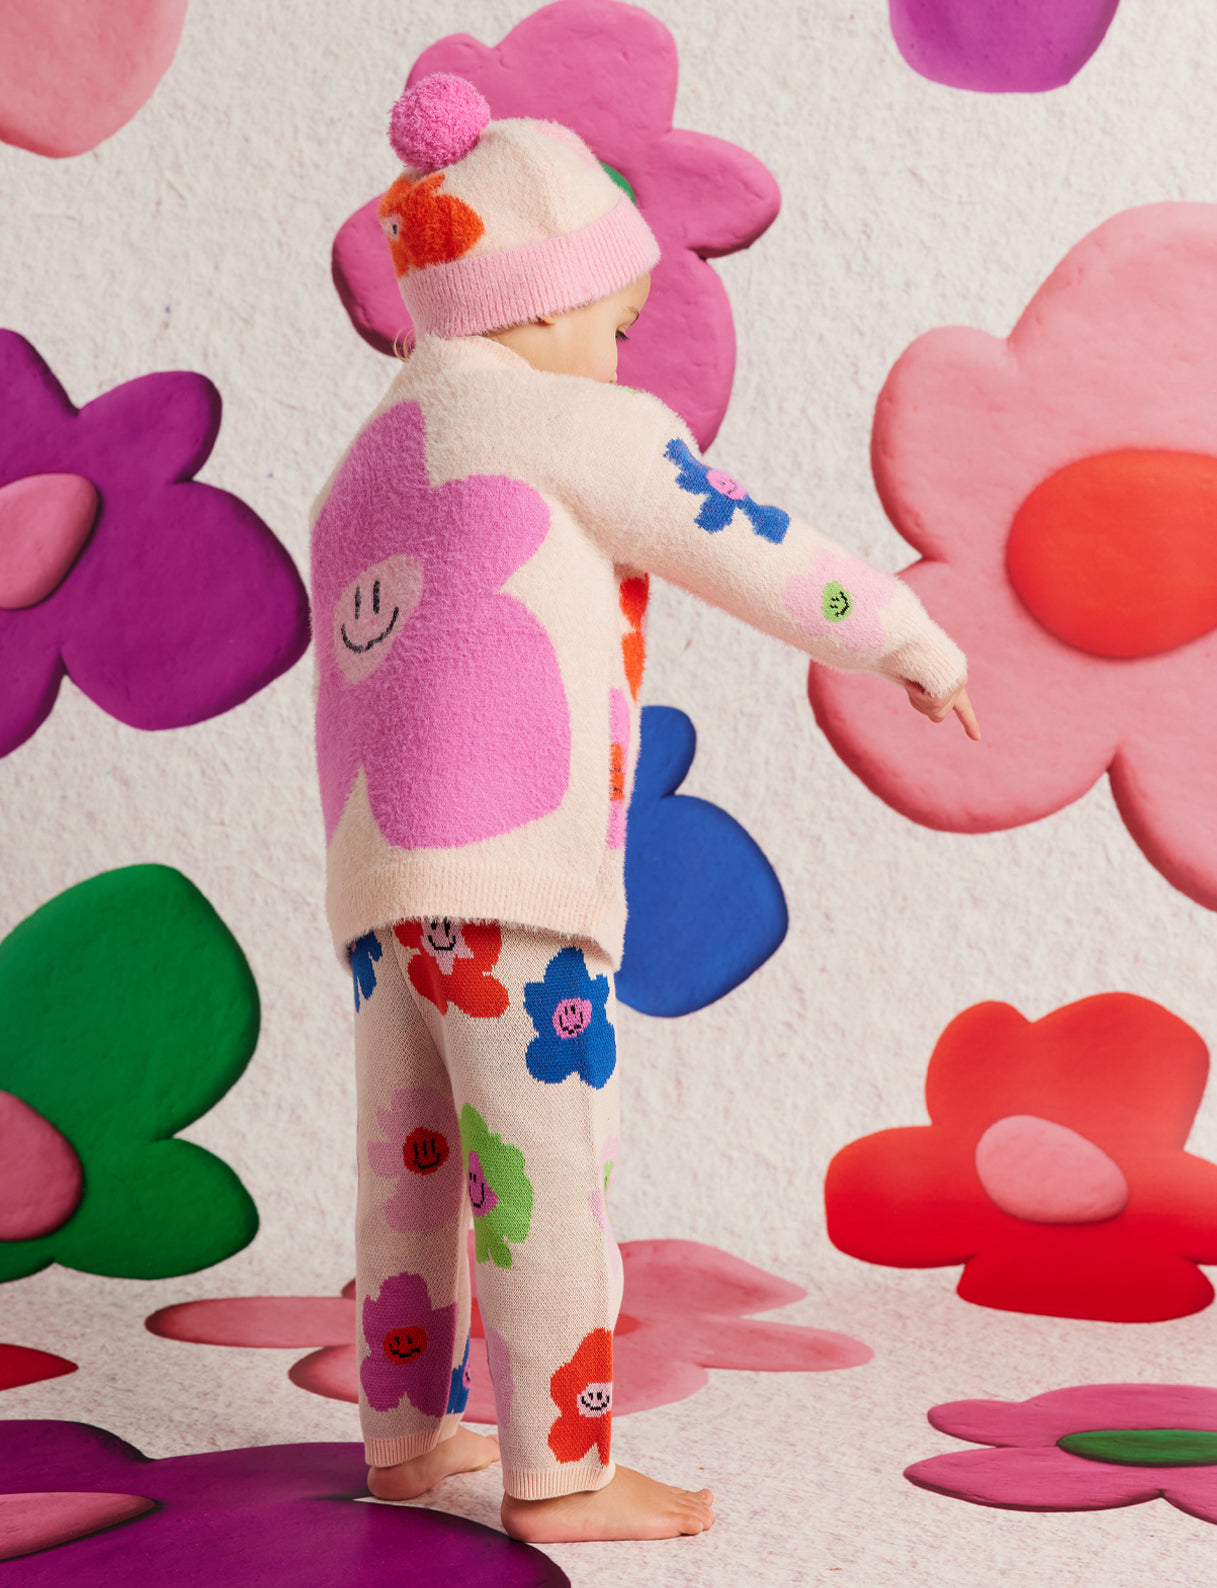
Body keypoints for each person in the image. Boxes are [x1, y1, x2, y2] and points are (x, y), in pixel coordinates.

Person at [310, 72, 978, 1546]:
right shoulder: (577, 425)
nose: (621, 350)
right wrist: (910, 641)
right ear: (539, 303)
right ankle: (561, 1472)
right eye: (613, 321)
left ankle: (404, 1445)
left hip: (380, 898)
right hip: (518, 886)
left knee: (408, 1174)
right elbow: (748, 543)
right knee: (544, 1178)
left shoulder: (361, 466)